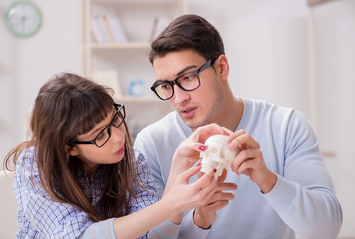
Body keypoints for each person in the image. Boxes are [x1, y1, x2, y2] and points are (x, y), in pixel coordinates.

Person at [134, 14, 343, 239]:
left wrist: (269, 181)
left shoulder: (286, 126)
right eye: (166, 86)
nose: (178, 98)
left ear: (222, 68)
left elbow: (327, 229)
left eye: (187, 78)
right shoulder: (152, 142)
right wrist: (198, 219)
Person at [3, 72, 229, 239]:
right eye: (100, 135)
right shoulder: (35, 166)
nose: (119, 137)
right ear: (68, 147)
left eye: (115, 119)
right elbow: (78, 237)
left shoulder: (130, 160)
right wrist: (170, 205)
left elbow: (152, 236)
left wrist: (179, 167)